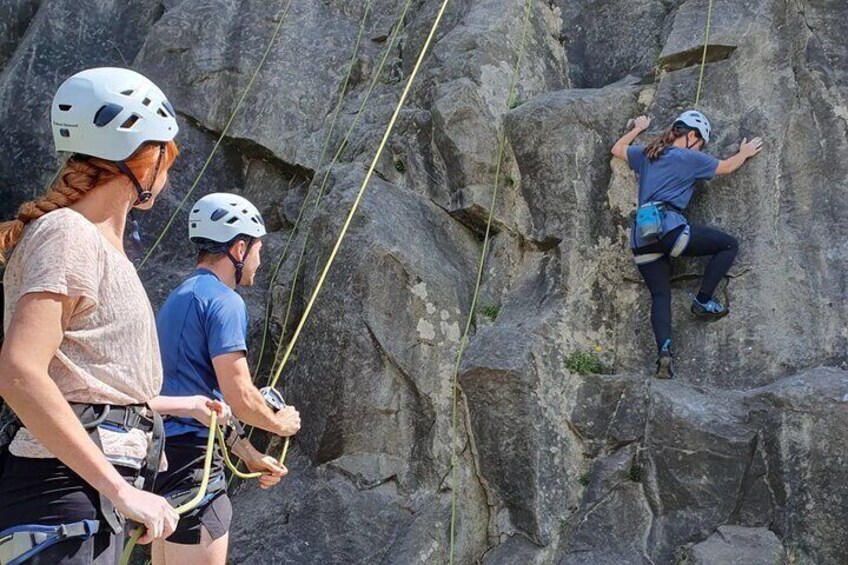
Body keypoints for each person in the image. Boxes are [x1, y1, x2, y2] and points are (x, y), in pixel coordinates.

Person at [0, 67, 227, 564]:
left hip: (83, 502)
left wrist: (176, 405)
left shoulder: (99, 244)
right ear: (146, 159)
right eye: (168, 152)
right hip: (63, 499)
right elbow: (20, 371)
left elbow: (86, 382)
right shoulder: (69, 234)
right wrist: (120, 491)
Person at [152, 192, 301, 565]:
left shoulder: (179, 297)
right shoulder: (225, 301)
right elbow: (238, 396)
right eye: (257, 249)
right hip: (195, 465)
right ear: (238, 247)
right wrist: (278, 423)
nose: (259, 260)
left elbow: (204, 402)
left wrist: (249, 456)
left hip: (162, 460)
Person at [611, 110, 763, 378]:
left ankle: (664, 354)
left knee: (660, 295)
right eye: (701, 142)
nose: (701, 147)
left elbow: (617, 149)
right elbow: (726, 167)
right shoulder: (689, 157)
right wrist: (745, 152)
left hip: (641, 238)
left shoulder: (648, 153)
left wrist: (638, 127)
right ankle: (703, 301)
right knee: (728, 245)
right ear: (692, 136)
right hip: (669, 229)